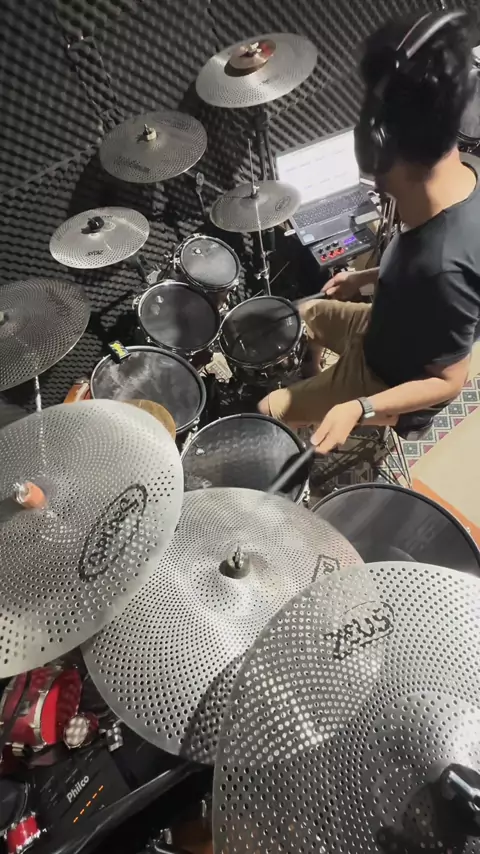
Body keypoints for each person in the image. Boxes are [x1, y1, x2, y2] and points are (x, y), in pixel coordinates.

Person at [258, 12, 480, 454]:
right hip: (381, 325)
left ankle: (311, 419)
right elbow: (415, 270)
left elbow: (449, 381)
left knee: (266, 409)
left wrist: (359, 407)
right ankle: (314, 375)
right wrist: (362, 277)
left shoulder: (443, 270)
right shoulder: (466, 172)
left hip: (384, 376)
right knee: (302, 314)